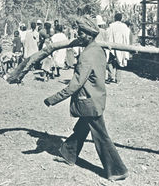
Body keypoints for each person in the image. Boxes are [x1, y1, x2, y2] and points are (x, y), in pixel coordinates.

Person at [43, 15, 128, 181]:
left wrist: (52, 99)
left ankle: (117, 170)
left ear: (88, 35)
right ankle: (68, 152)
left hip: (87, 101)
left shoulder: (86, 56)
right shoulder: (98, 50)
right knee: (83, 127)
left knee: (101, 136)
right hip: (97, 98)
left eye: (80, 34)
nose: (77, 37)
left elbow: (75, 85)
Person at [106, 13, 130, 84]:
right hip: (121, 47)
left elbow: (107, 35)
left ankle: (110, 77)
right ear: (121, 18)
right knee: (120, 62)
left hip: (112, 47)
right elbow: (127, 35)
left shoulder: (111, 26)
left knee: (110, 61)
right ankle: (118, 79)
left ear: (114, 18)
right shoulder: (124, 27)